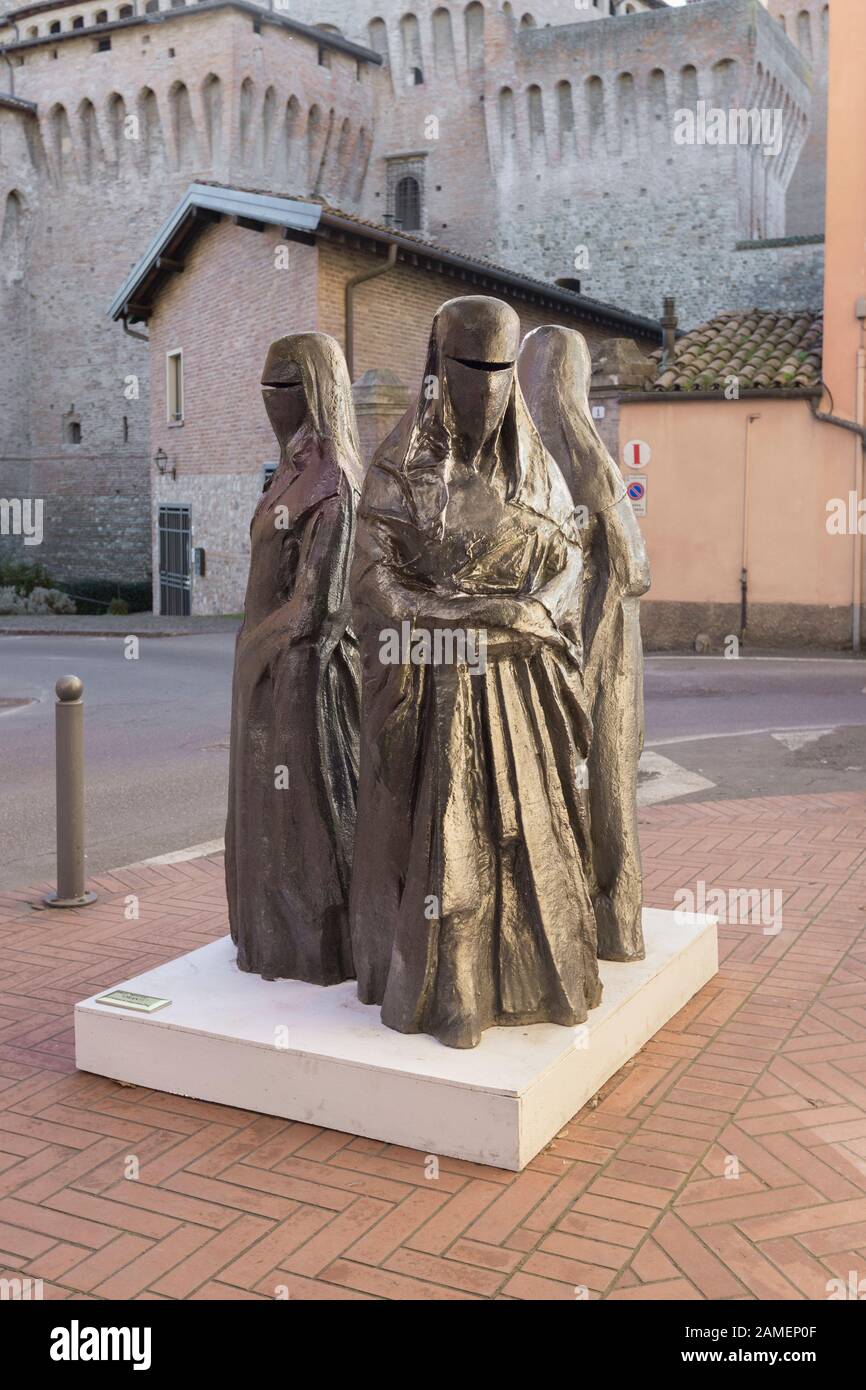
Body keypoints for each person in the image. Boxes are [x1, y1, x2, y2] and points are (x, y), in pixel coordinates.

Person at [350, 295, 602, 1048]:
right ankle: (451, 993)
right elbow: (371, 587)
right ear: (437, 367)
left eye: (501, 369)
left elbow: (569, 565)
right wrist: (470, 622)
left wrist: (536, 614)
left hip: (525, 693)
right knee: (448, 852)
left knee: (534, 842)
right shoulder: (398, 470)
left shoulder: (540, 472)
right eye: (469, 367)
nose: (487, 385)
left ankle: (540, 977)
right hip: (436, 687)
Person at [225, 332, 363, 984]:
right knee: (268, 821)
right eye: (264, 386)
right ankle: (269, 939)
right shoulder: (288, 468)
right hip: (268, 676)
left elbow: (320, 609)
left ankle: (316, 948)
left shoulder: (330, 482)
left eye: (283, 387)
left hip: (307, 685)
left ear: (315, 390)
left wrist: (253, 648)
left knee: (308, 822)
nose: (270, 399)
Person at [519, 325, 651, 962]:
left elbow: (636, 568)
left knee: (609, 793)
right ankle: (569, 929)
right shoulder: (520, 466)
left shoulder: (597, 465)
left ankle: (619, 928)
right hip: (555, 652)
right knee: (559, 790)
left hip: (606, 652)